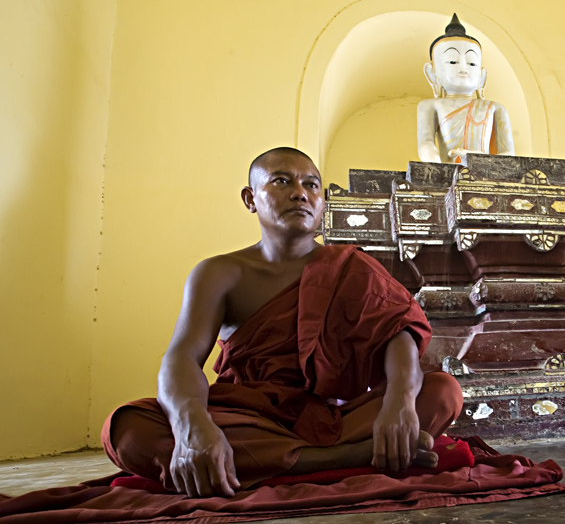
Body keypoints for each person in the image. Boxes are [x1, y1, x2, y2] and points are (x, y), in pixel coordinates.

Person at [101, 147, 463, 498]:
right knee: (127, 427)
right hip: (249, 414)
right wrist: (192, 426)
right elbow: (181, 358)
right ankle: (348, 459)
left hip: (333, 418)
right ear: (250, 198)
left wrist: (398, 404)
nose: (300, 194)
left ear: (322, 203)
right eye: (282, 182)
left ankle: (268, 465)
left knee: (443, 390)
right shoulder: (220, 273)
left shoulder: (351, 266)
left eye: (311, 185)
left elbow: (399, 340)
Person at [417, 13, 515, 164]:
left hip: (484, 173)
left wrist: (474, 157)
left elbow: (508, 154)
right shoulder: (430, 106)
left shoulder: (495, 108)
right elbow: (426, 143)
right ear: (432, 73)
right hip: (448, 171)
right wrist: (437, 165)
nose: (463, 68)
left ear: (482, 76)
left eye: (471, 63)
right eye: (452, 61)